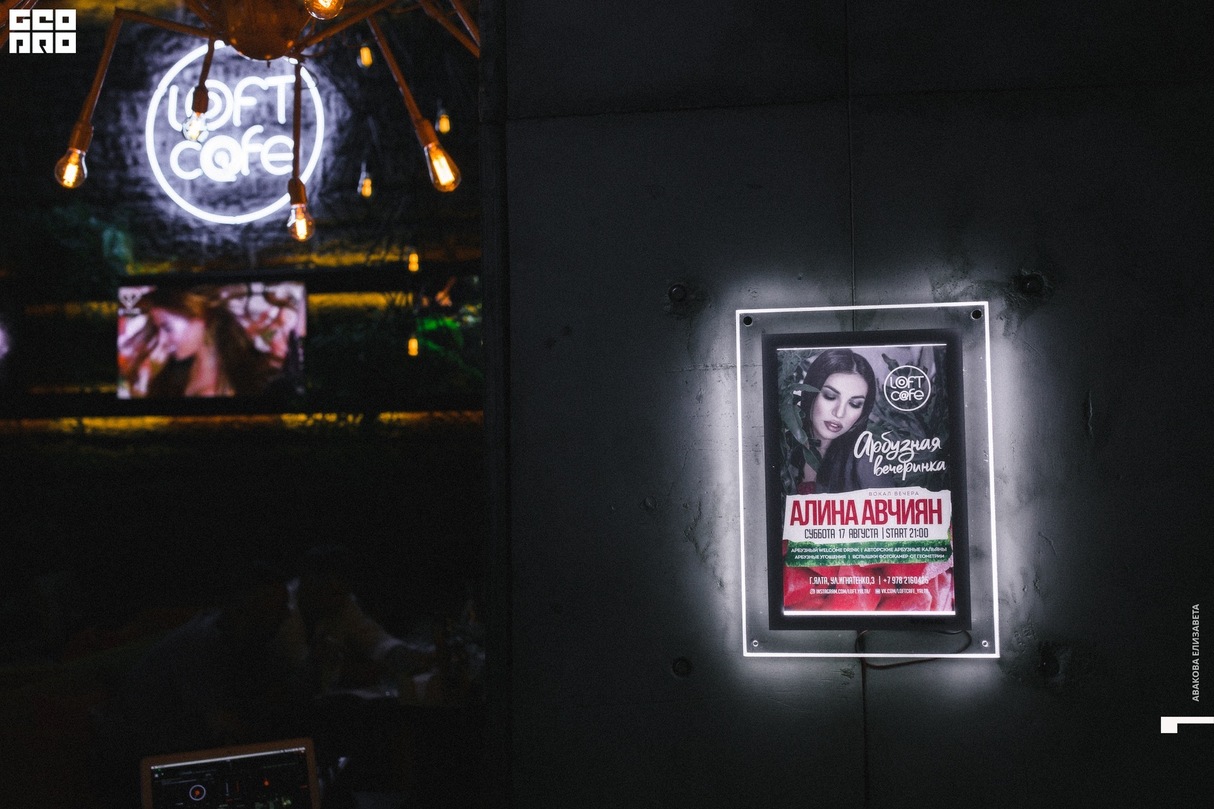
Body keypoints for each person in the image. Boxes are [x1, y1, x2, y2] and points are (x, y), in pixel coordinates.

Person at [118, 285, 300, 398]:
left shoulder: (263, 378)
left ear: (200, 317)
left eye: (167, 327)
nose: (162, 340)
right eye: (158, 330)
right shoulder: (166, 382)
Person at [786, 347, 883, 494]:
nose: (839, 413)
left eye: (854, 404)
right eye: (830, 396)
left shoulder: (867, 463)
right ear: (810, 392)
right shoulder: (783, 447)